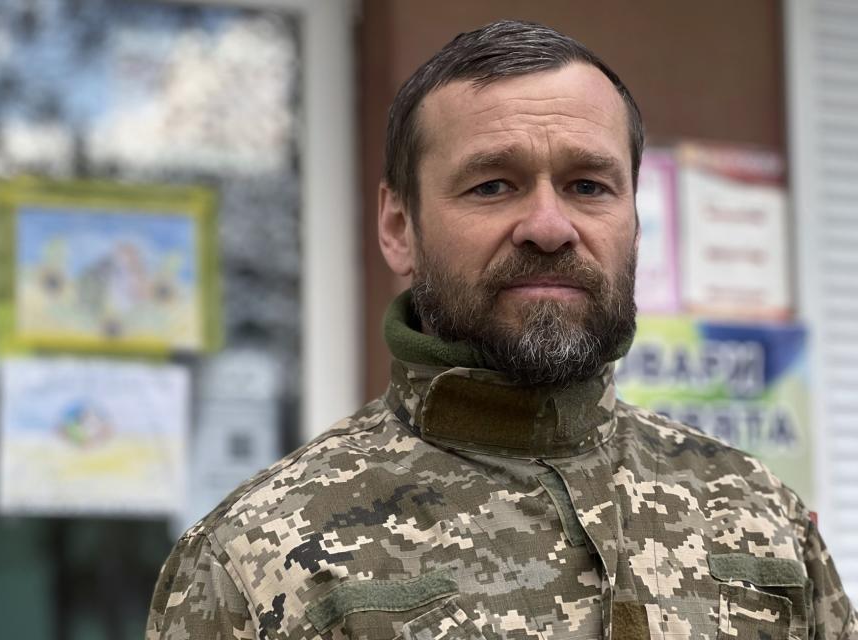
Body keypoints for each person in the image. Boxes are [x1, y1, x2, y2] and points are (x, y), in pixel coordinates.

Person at [146, 20, 856, 640]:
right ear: (400, 228)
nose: (549, 227)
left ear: (634, 220)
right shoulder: (258, 554)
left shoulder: (759, 515)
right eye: (493, 185)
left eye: (588, 186)